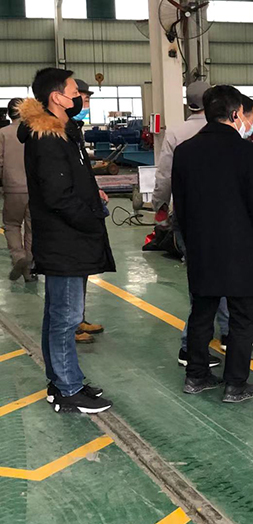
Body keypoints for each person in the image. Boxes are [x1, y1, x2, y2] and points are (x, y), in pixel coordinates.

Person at [172, 85, 253, 402]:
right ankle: (235, 384)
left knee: (201, 314)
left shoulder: (185, 151)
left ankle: (196, 377)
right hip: (240, 250)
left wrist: (190, 242)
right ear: (235, 114)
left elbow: (182, 205)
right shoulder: (247, 152)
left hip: (202, 248)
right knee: (242, 319)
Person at [18, 68, 115, 413]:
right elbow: (58, 196)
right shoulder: (47, 138)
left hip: (67, 238)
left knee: (59, 315)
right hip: (65, 240)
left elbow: (69, 182)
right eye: (75, 92)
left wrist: (92, 193)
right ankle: (67, 389)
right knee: (66, 317)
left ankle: (63, 381)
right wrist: (90, 220)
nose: (80, 99)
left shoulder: (63, 133)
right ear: (57, 97)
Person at [152, 81, 253, 369]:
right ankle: (224, 340)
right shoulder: (237, 142)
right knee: (230, 288)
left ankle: (196, 354)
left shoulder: (177, 134)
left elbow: (165, 176)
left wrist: (160, 207)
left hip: (193, 221)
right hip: (230, 226)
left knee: (203, 290)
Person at [73, 79, 105, 344]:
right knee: (72, 270)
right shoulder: (57, 132)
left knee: (81, 267)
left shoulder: (75, 129)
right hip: (71, 213)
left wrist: (95, 191)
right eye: (82, 99)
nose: (86, 105)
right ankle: (71, 325)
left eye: (87, 100)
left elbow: (82, 169)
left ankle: (78, 318)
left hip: (84, 207)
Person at [1, 98, 35, 283]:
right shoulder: (35, 133)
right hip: (35, 189)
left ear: (8, 113)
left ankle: (18, 256)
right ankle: (29, 267)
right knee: (32, 228)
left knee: (12, 224)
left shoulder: (3, 134)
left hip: (13, 188)